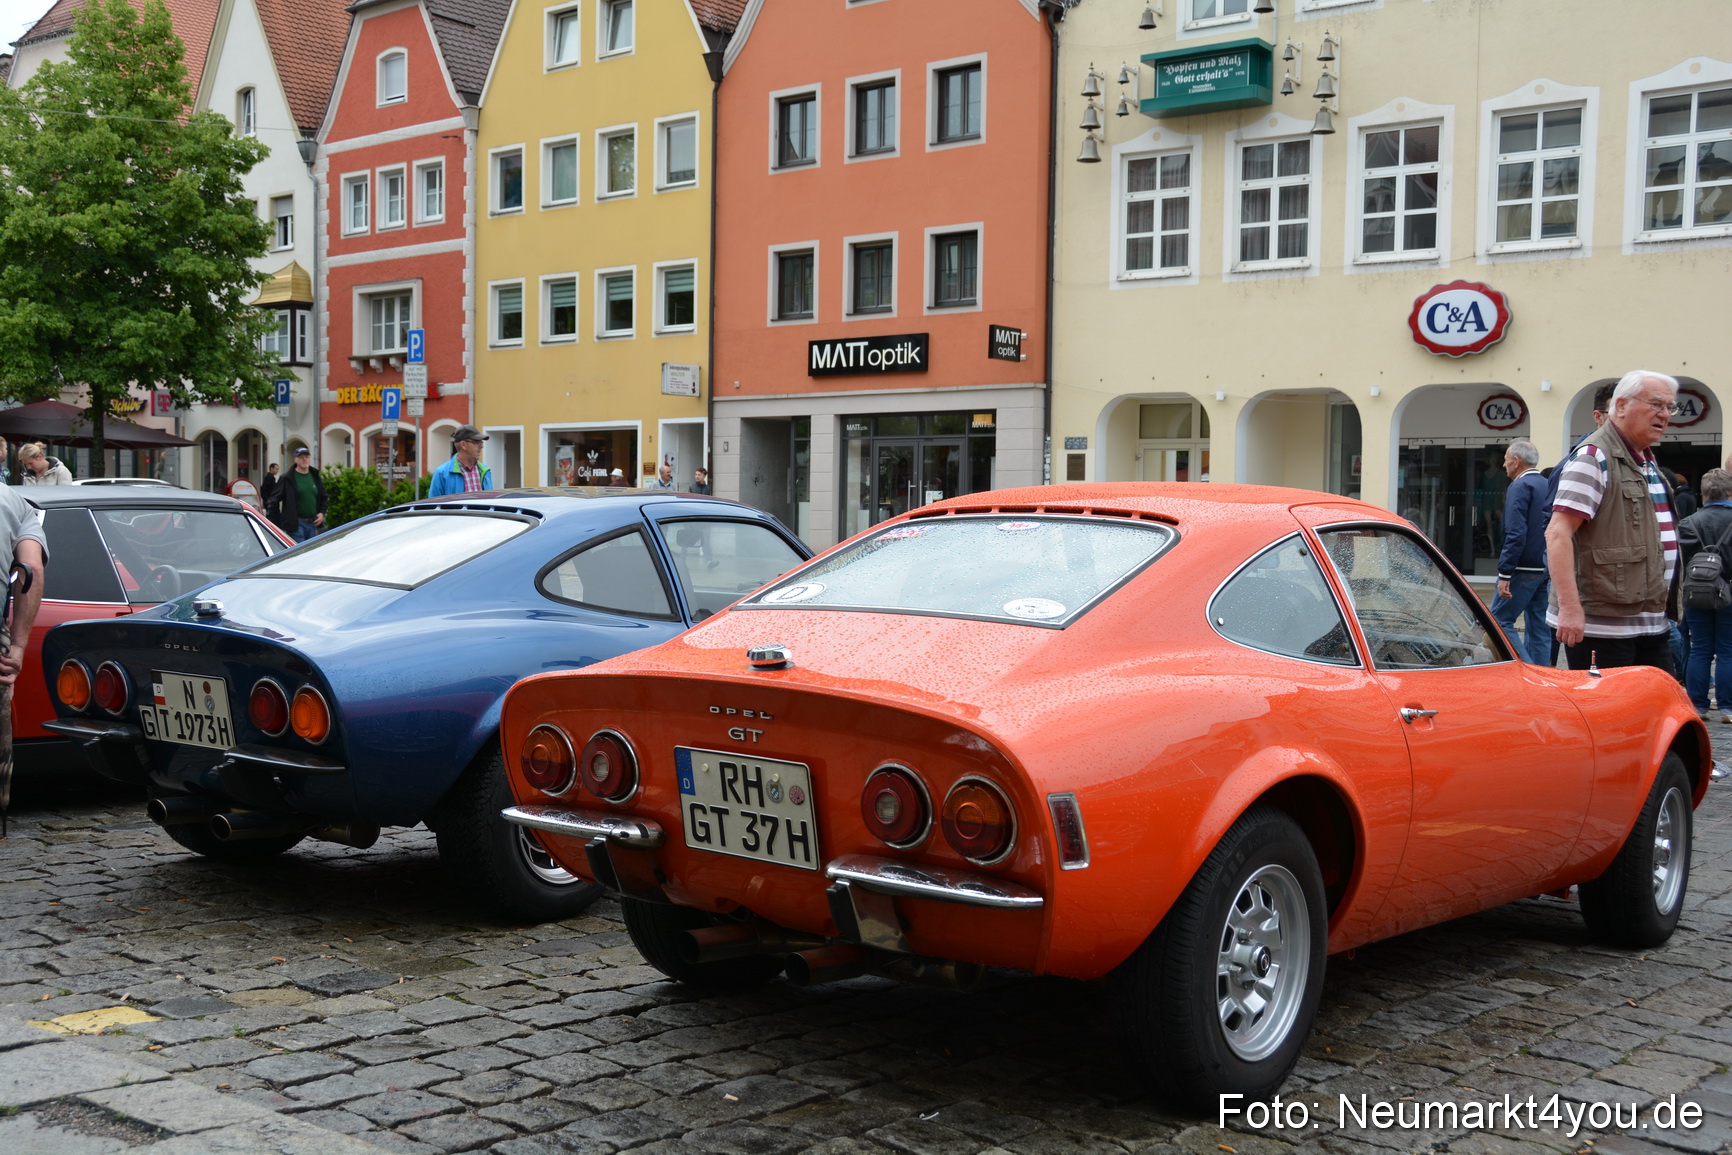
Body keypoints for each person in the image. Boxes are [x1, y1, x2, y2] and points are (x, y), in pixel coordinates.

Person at [1546, 370, 1681, 674]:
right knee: (1607, 718)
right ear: (1620, 406)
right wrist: (1569, 608)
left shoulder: (1645, 460)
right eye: (1656, 404)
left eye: (1669, 408)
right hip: (1602, 628)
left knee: (1652, 712)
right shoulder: (1593, 456)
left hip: (1650, 622)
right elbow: (1557, 534)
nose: (1665, 415)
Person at [1491, 439, 1552, 665]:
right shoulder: (1547, 484)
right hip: (1544, 567)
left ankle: (1525, 672)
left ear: (1516, 462)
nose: (1504, 465)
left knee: (1499, 621)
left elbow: (1515, 532)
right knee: (1539, 627)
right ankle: (1544, 678)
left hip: (1521, 568)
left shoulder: (1519, 486)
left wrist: (1505, 572)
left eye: (1506, 460)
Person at [1678, 468, 1732, 722]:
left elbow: (1681, 561)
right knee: (1727, 650)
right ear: (1730, 492)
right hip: (1730, 591)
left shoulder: (1688, 523)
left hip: (1695, 591)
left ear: (1704, 494)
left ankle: (1698, 704)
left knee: (1699, 647)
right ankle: (1727, 707)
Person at [277, 446, 327, 542]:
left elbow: (324, 496)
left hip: (313, 523)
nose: (304, 459)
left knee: (312, 553)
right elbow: (274, 500)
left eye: (306, 457)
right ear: (295, 459)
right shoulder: (287, 478)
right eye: (301, 457)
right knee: (301, 553)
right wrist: (278, 524)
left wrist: (322, 513)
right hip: (296, 525)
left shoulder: (315, 476)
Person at [428, 426, 493, 496]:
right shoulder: (442, 473)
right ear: (463, 445)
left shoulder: (485, 471)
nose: (481, 446)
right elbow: (433, 504)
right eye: (477, 442)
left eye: (481, 442)